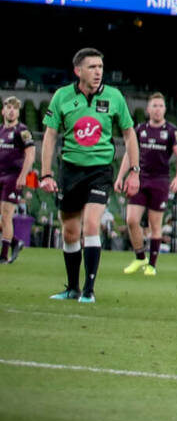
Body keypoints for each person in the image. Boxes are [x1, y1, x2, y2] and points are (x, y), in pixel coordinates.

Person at [40, 46, 137, 303]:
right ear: (78, 71)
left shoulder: (115, 97)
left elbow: (129, 134)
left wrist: (134, 171)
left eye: (100, 67)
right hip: (70, 170)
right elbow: (50, 135)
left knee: (92, 224)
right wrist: (46, 174)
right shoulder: (62, 96)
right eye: (92, 67)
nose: (98, 72)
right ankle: (72, 288)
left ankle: (89, 290)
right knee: (70, 232)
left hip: (100, 170)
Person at [120, 94, 177, 278]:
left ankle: (152, 265)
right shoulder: (140, 129)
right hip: (139, 179)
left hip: (160, 181)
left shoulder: (172, 131)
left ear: (165, 109)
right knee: (131, 220)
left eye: (161, 106)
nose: (157, 109)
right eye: (154, 106)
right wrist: (120, 176)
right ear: (148, 109)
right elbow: (129, 154)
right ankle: (140, 257)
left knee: (155, 225)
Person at [1, 95, 38, 265]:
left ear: (18, 112)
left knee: (6, 214)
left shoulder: (22, 131)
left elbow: (30, 155)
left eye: (15, 108)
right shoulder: (1, 130)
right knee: (3, 218)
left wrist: (23, 176)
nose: (11, 111)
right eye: (9, 107)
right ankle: (15, 242)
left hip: (13, 178)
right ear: (3, 111)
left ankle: (4, 255)